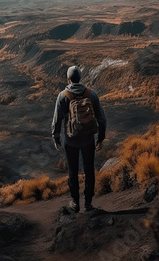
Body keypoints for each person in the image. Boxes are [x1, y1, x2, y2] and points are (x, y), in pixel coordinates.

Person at [51, 66, 106, 213]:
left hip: (71, 141)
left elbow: (57, 120)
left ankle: (75, 203)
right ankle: (88, 203)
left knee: (73, 172)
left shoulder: (63, 96)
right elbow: (101, 118)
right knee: (89, 171)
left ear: (68, 79)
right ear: (80, 78)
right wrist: (100, 138)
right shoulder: (91, 94)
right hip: (88, 140)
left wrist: (56, 138)